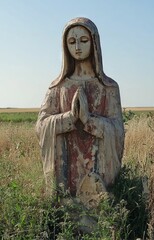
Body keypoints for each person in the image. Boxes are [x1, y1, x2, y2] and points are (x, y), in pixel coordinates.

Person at [36, 17, 124, 197]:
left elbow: (117, 131)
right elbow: (41, 125)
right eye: (71, 41)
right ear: (64, 46)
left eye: (83, 41)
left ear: (94, 43)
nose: (77, 46)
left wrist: (89, 120)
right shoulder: (57, 87)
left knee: (98, 205)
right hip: (66, 169)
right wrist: (68, 118)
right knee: (66, 205)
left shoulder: (108, 87)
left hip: (98, 167)